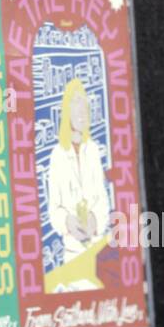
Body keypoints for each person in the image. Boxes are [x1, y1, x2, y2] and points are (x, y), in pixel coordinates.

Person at [46, 77, 110, 267]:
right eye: (76, 103)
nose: (82, 110)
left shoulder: (92, 150)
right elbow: (54, 208)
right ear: (67, 111)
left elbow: (103, 198)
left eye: (84, 104)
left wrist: (95, 218)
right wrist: (68, 222)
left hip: (99, 249)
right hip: (73, 254)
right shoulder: (57, 156)